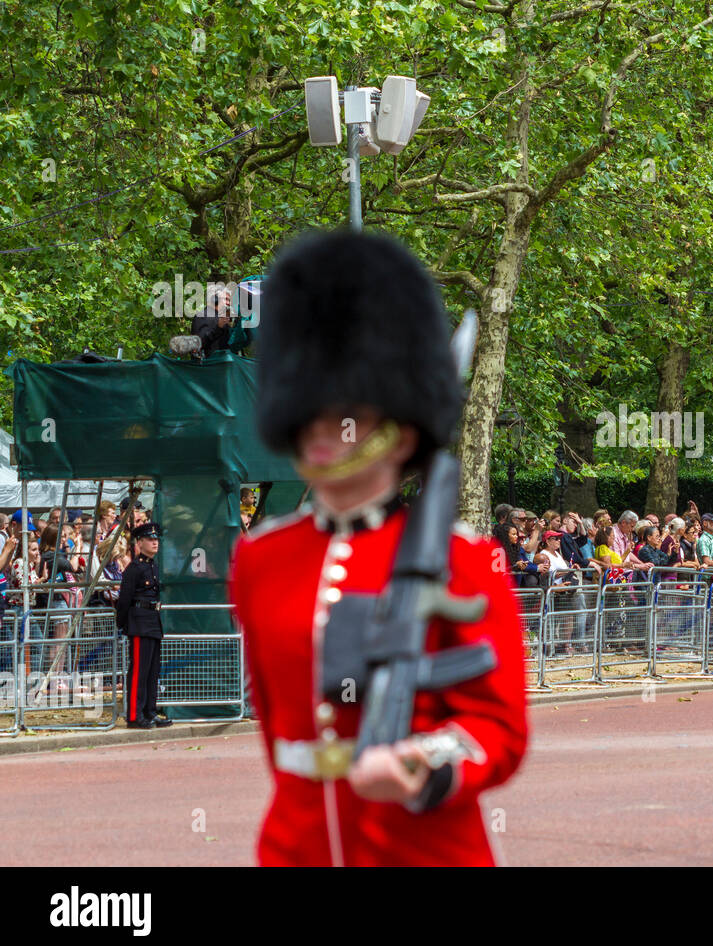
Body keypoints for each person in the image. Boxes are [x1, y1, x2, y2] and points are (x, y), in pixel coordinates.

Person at [229, 229, 527, 867]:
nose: (319, 430)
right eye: (306, 412)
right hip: (296, 848)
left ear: (397, 426)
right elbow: (279, 721)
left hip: (424, 849)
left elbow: (498, 729)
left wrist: (424, 761)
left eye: (342, 415)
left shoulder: (468, 561)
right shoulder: (260, 560)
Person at [117, 522, 171, 729]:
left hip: (152, 620)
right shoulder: (135, 568)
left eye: (156, 539)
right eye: (150, 539)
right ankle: (134, 715)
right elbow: (124, 599)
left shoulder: (152, 566)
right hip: (139, 621)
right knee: (139, 671)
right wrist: (121, 624)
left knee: (152, 670)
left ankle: (149, 711)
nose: (155, 542)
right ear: (139, 543)